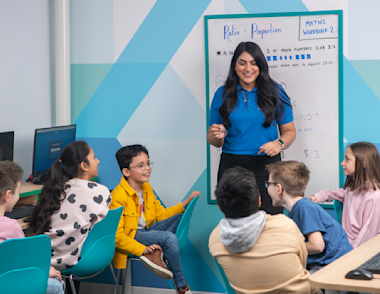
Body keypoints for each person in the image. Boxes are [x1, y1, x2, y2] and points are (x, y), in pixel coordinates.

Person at [207, 41, 296, 215]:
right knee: (236, 221)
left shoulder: (276, 92)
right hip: (232, 166)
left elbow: (290, 132)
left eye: (253, 63)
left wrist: (279, 143)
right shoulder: (222, 94)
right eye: (242, 62)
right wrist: (215, 135)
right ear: (235, 66)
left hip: (267, 166)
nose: (248, 68)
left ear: (260, 66)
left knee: (271, 220)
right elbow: (214, 141)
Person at [209, 166, 321, 294]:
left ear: (220, 207)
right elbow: (301, 264)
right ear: (259, 201)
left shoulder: (216, 238)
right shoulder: (285, 225)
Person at [110, 144, 199, 294]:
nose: (147, 168)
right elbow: (118, 237)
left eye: (148, 163)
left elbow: (162, 215)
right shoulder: (117, 197)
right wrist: (142, 249)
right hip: (132, 236)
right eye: (140, 165)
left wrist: (185, 202)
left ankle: (159, 253)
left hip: (146, 232)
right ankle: (183, 288)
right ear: (126, 171)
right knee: (169, 239)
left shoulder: (146, 189)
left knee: (178, 218)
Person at [30, 141, 111, 293]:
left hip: (47, 260)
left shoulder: (54, 191)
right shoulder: (101, 192)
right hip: (76, 259)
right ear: (84, 165)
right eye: (94, 157)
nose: (98, 161)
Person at [266, 160, 352, 273]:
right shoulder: (297, 210)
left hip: (335, 265)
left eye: (268, 184)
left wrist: (285, 247)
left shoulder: (304, 207)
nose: (266, 188)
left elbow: (317, 246)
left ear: (279, 188)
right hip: (325, 263)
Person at [0, 161, 64, 294]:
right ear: (7, 195)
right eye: (18, 192)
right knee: (56, 283)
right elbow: (24, 263)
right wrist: (46, 271)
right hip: (7, 284)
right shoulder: (11, 227)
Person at [310, 142, 380, 248]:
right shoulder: (352, 189)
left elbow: (368, 234)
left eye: (347, 159)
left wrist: (351, 253)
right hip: (345, 243)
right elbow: (338, 193)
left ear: (363, 164)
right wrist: (318, 196)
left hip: (360, 250)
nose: (342, 163)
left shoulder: (374, 196)